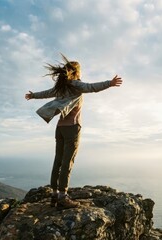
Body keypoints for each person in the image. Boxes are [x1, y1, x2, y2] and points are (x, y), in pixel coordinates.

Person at [25, 54, 123, 208]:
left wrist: (33, 96)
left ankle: (54, 195)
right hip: (72, 128)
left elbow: (46, 93)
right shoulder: (76, 85)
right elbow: (91, 87)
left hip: (60, 128)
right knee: (67, 162)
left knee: (58, 160)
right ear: (76, 72)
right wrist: (109, 83)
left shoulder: (61, 87)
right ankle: (63, 197)